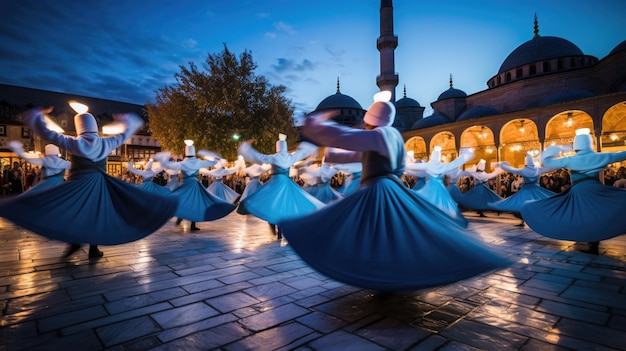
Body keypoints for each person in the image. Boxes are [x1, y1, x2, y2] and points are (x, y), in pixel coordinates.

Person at [278, 94, 508, 292]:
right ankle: (388, 274)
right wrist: (333, 153)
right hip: (391, 189)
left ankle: (383, 274)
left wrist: (314, 123)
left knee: (351, 228)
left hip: (379, 190)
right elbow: (350, 155)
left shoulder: (380, 135)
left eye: (366, 123)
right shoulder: (391, 137)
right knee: (392, 234)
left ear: (372, 121)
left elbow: (343, 138)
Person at [0, 106, 179, 258]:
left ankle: (74, 241)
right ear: (94, 126)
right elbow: (126, 133)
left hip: (78, 185)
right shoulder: (107, 143)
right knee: (97, 213)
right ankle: (93, 248)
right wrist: (127, 120)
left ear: (79, 128)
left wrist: (36, 115)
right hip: (100, 185)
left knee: (73, 212)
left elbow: (47, 133)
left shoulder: (73, 142)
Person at [521, 128, 626, 253]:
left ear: (576, 146)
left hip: (579, 192)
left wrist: (558, 149)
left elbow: (546, 161)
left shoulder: (571, 159)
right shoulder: (601, 156)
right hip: (596, 190)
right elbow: (622, 154)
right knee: (595, 215)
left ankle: (584, 237)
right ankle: (593, 242)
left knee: (578, 216)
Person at [237, 133, 325, 238]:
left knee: (272, 204)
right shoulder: (291, 157)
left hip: (274, 184)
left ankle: (273, 223)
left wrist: (246, 147)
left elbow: (258, 157)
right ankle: (281, 229)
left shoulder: (274, 157)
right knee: (285, 205)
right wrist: (307, 145)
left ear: (277, 147)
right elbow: (303, 152)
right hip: (287, 184)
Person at [155, 142, 236, 231]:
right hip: (196, 186)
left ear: (186, 153)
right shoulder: (198, 162)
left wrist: (164, 157)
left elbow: (169, 165)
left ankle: (180, 218)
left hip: (186, 186)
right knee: (195, 203)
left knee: (182, 201)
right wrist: (213, 156)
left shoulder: (182, 163)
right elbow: (213, 162)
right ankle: (192, 225)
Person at [405, 145, 474, 227]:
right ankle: (440, 220)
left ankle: (427, 219)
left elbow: (410, 166)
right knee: (442, 204)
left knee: (426, 202)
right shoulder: (443, 166)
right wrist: (467, 155)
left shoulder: (427, 165)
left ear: (432, 156)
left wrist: (409, 159)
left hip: (429, 187)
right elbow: (456, 163)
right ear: (438, 156)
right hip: (440, 188)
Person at [488, 153, 556, 226]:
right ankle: (537, 220)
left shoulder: (524, 170)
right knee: (539, 204)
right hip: (536, 190)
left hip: (525, 191)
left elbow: (511, 169)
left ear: (526, 164)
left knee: (519, 206)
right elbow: (550, 168)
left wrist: (502, 165)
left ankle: (524, 220)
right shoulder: (537, 170)